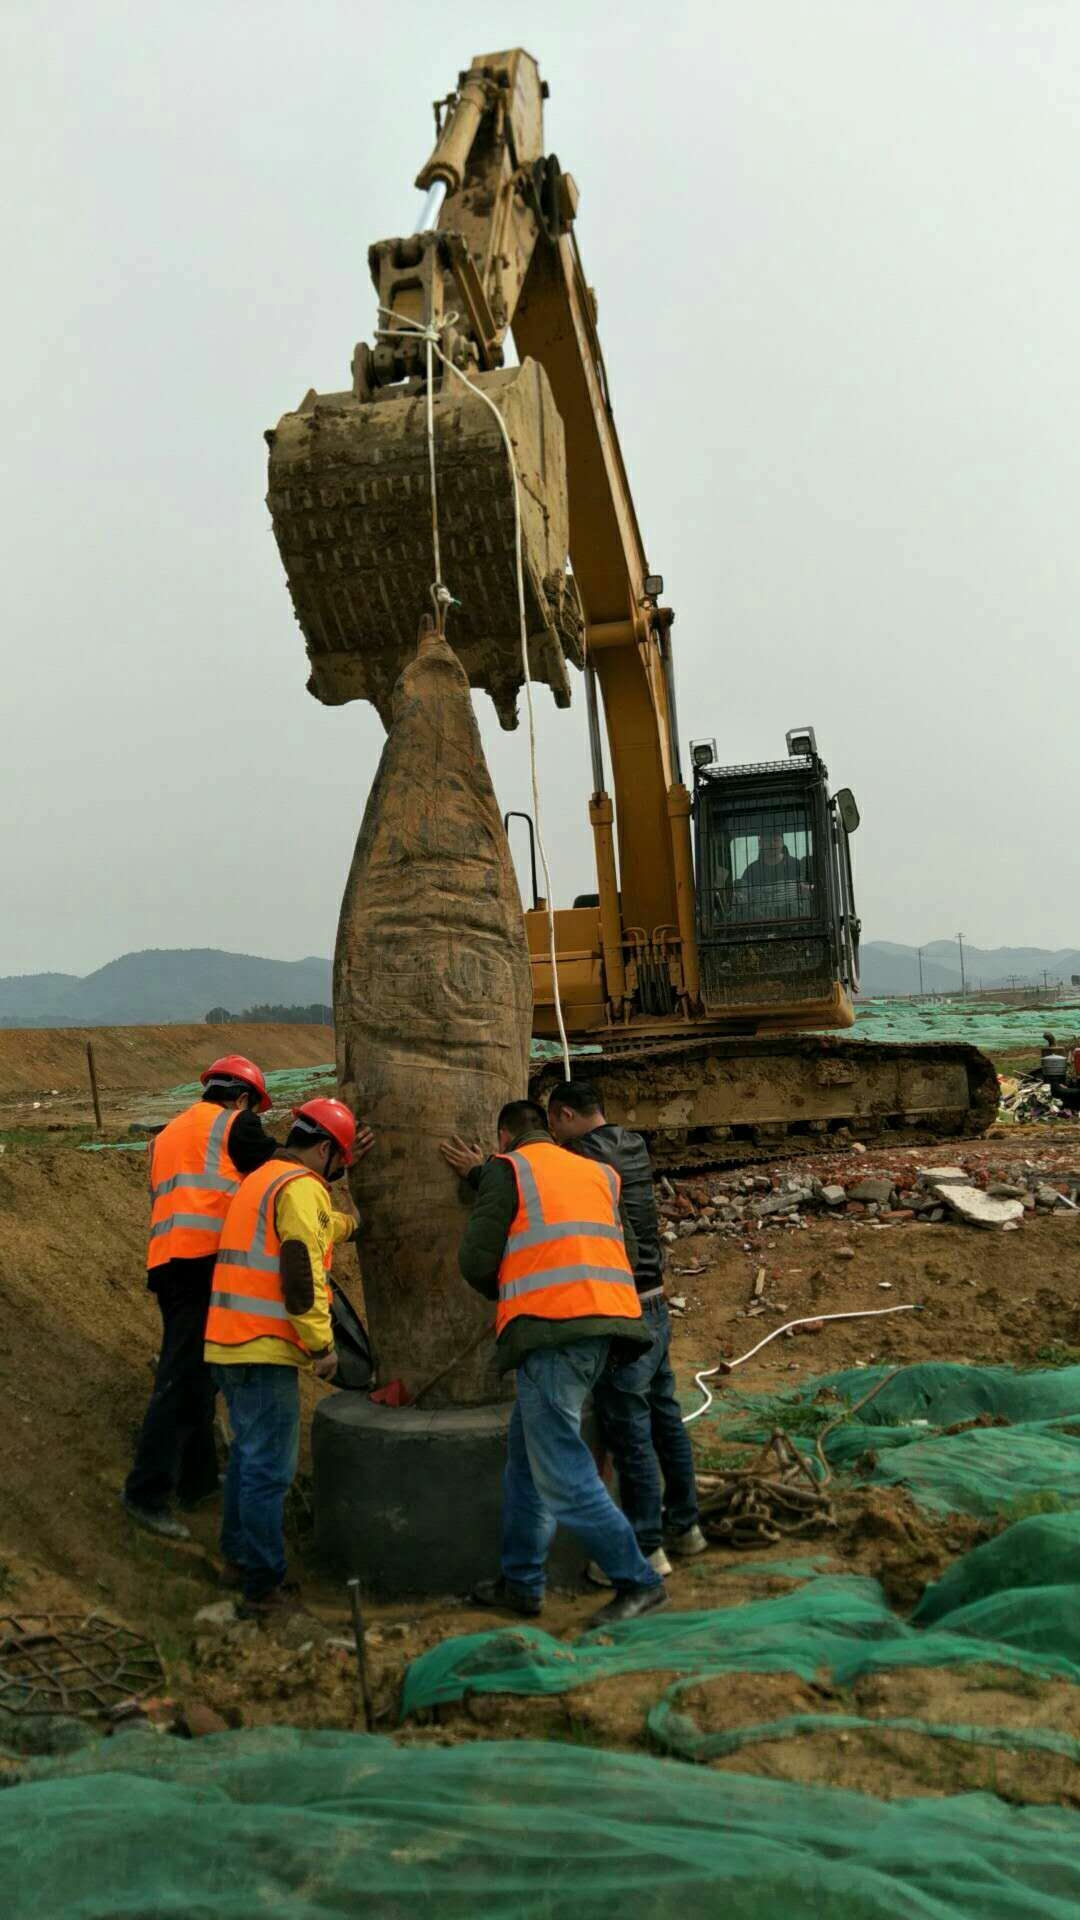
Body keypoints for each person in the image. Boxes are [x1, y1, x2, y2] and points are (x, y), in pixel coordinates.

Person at [440, 1100, 668, 1626]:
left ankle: (638, 1579)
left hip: (551, 1335)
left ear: (504, 1136)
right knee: (526, 1463)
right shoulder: (598, 1174)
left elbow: (476, 1259)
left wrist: (519, 1292)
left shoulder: (508, 1169)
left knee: (561, 1473)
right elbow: (629, 1253)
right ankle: (521, 1580)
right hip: (608, 1330)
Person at [204, 1097, 373, 1619]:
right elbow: (301, 1273)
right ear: (324, 1150)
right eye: (339, 1162)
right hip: (262, 1347)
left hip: (229, 1342)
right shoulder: (300, 1189)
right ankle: (264, 1586)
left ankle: (237, 1560)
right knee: (269, 1470)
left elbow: (315, 1227)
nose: (338, 1172)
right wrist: (322, 1346)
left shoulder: (265, 1179)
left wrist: (351, 1224)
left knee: (249, 1460)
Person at [546, 1080, 705, 1581]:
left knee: (630, 1430)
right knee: (665, 1416)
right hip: (656, 1299)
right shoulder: (633, 1145)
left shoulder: (581, 1161)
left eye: (554, 1124)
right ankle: (686, 1527)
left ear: (567, 1114)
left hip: (623, 1307)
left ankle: (644, 1547)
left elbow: (540, 1179)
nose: (553, 1135)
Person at [122, 1054, 279, 1541]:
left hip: (168, 1264)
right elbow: (285, 1172)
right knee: (181, 1379)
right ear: (243, 1097)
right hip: (205, 1264)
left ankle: (196, 1482)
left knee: (197, 1377)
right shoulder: (235, 1125)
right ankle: (146, 1492)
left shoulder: (167, 1136)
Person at [736, 830, 808, 918]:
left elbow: (807, 891)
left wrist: (806, 889)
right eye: (767, 841)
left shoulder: (797, 865)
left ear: (782, 843)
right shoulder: (750, 870)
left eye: (776, 840)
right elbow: (743, 897)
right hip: (761, 925)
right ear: (760, 844)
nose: (772, 844)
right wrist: (741, 898)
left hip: (793, 923)